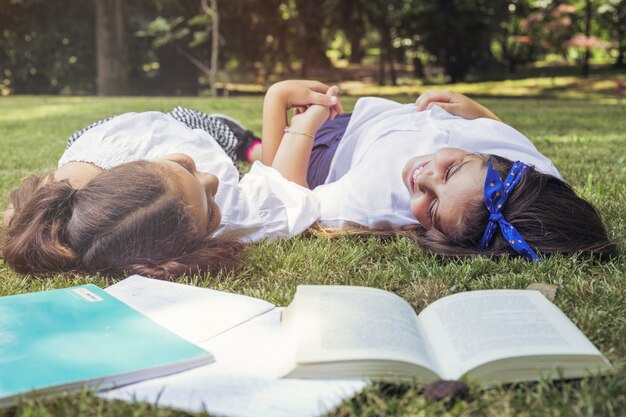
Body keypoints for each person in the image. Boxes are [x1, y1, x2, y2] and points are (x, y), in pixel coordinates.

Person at [1, 81, 342, 280]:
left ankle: (241, 141)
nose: (211, 180)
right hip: (181, 137)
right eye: (210, 209)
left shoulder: (75, 194)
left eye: (187, 169)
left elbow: (19, 219)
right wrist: (280, 101)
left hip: (160, 128)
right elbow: (282, 190)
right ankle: (246, 144)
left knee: (210, 128)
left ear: (146, 165)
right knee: (235, 144)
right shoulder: (229, 206)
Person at [260, 88, 616, 261]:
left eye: (430, 207)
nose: (423, 177)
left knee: (263, 154)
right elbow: (503, 132)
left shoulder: (368, 199)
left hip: (325, 147)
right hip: (375, 117)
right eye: (452, 168)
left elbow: (282, 195)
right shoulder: (537, 179)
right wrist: (481, 113)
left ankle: (253, 146)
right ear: (495, 160)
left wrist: (285, 108)